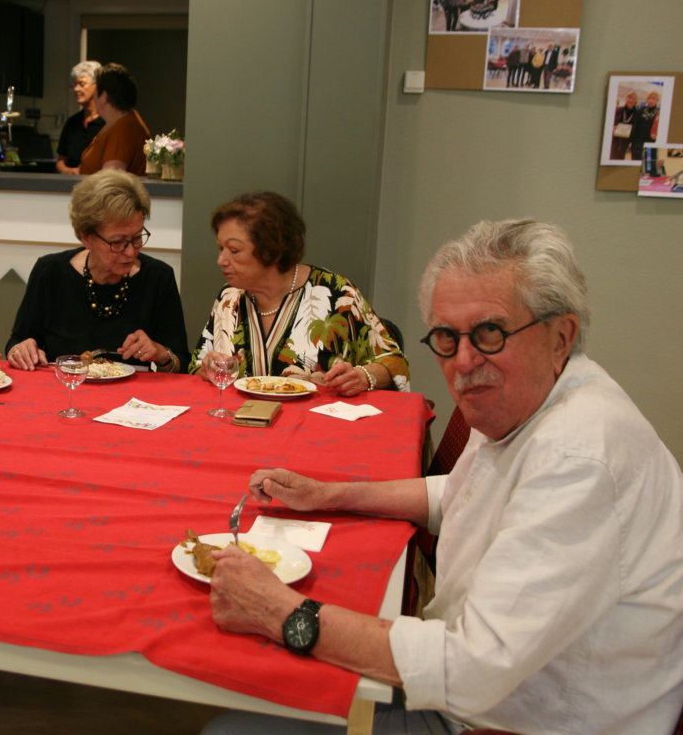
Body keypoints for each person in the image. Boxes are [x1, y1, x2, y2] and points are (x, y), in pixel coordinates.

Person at [202, 219, 683, 735]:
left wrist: (282, 611)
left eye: (490, 333)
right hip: (485, 687)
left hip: (513, 720)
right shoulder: (533, 396)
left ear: (560, 336)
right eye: (448, 338)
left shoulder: (578, 456)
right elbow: (458, 492)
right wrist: (329, 493)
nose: (464, 362)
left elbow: (472, 668)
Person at [188, 191, 409, 397]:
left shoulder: (336, 292)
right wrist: (208, 367)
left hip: (318, 423)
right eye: (220, 248)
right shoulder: (229, 298)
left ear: (271, 250)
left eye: (234, 250)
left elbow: (394, 363)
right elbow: (197, 366)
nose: (221, 260)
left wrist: (363, 376)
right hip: (240, 421)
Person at [6, 169, 188, 371]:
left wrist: (162, 354)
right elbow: (18, 340)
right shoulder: (50, 272)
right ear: (86, 237)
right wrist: (20, 349)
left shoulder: (158, 277)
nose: (131, 252)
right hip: (65, 387)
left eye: (137, 238)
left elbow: (181, 362)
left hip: (133, 391)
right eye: (117, 242)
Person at [78, 63, 151, 176]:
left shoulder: (123, 129)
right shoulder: (120, 122)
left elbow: (111, 178)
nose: (93, 98)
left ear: (104, 96)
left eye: (95, 93)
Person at [55, 61, 105, 175]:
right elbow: (61, 160)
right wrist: (68, 171)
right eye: (74, 85)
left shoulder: (107, 123)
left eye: (81, 84)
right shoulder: (72, 123)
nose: (76, 89)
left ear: (97, 86)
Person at [630, 89, 662, 163]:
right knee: (636, 161)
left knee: (649, 162)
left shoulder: (660, 113)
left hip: (651, 141)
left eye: (654, 98)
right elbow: (635, 125)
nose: (651, 100)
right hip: (638, 141)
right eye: (649, 98)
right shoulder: (640, 110)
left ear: (657, 100)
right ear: (646, 99)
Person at [610, 90, 639, 160]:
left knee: (621, 154)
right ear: (626, 98)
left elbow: (637, 126)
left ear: (636, 101)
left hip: (627, 138)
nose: (631, 100)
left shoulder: (637, 113)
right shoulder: (618, 110)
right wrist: (613, 127)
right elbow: (611, 121)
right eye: (629, 97)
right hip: (615, 136)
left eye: (633, 98)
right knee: (612, 153)